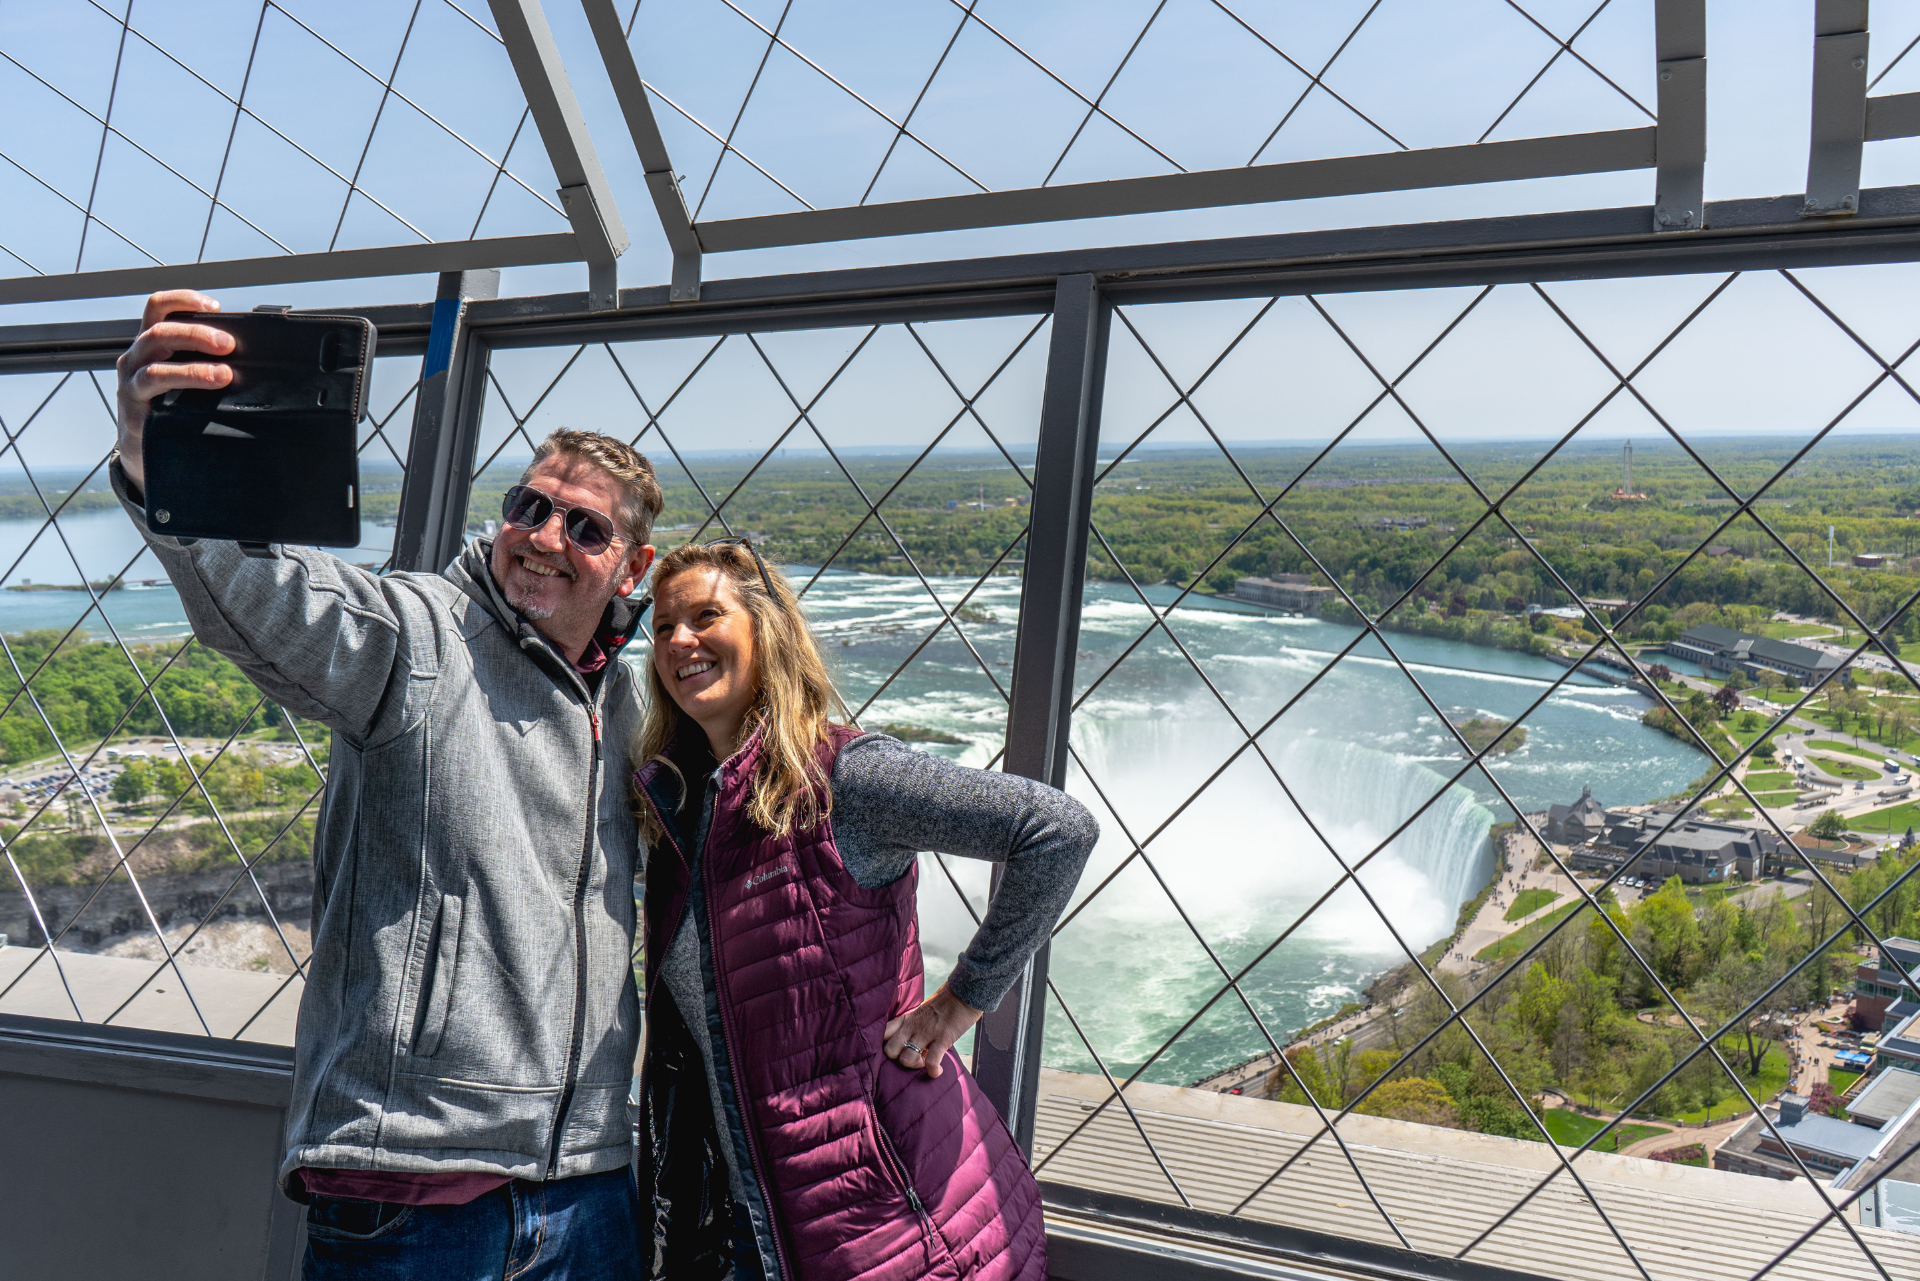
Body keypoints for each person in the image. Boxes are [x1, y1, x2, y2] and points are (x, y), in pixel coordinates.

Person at [114, 290, 659, 1279]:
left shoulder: (630, 711)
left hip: (588, 1181)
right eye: (529, 506)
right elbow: (270, 595)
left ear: (632, 567)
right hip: (416, 1186)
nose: (544, 536)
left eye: (584, 526)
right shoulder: (420, 638)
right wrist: (162, 464)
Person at [633, 540, 1098, 1281]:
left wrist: (961, 1001)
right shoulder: (679, 808)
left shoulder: (845, 780)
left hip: (896, 1230)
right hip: (755, 1230)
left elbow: (1056, 831)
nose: (679, 641)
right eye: (662, 627)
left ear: (766, 631)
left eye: (706, 616)